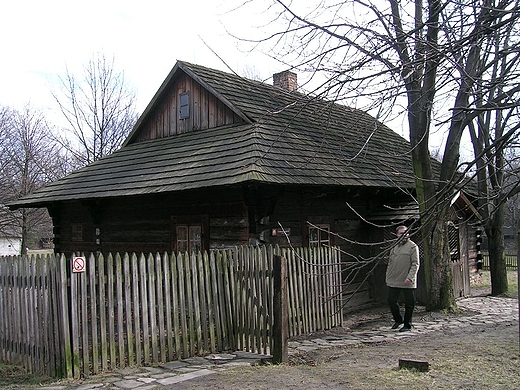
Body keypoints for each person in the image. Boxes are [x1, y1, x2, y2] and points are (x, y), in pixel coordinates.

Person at [385, 225, 420, 332]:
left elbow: (415, 264)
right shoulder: (394, 246)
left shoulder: (413, 247)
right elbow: (390, 263)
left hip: (407, 280)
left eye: (406, 233)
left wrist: (410, 277)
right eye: (401, 233)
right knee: (391, 300)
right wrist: (388, 276)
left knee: (409, 303)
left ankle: (407, 324)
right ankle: (398, 319)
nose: (404, 235)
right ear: (397, 235)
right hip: (394, 279)